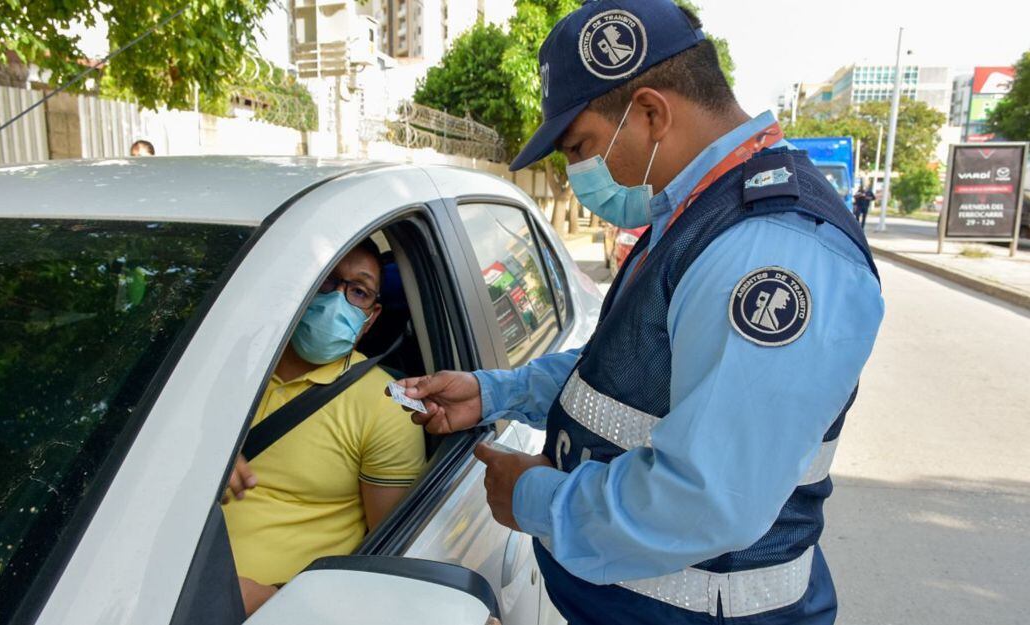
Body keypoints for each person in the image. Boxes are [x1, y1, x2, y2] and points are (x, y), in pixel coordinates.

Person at [395, 2, 884, 624]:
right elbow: (629, 370)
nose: (576, 174)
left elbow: (706, 500)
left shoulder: (769, 253)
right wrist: (496, 394)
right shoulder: (697, 213)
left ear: (651, 113)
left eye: (582, 147)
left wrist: (533, 498)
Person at [223, 240, 425, 616]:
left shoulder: (386, 405)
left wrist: (271, 601)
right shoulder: (225, 372)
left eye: (358, 291)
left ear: (371, 316)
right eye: (326, 282)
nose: (338, 299)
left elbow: (388, 560)